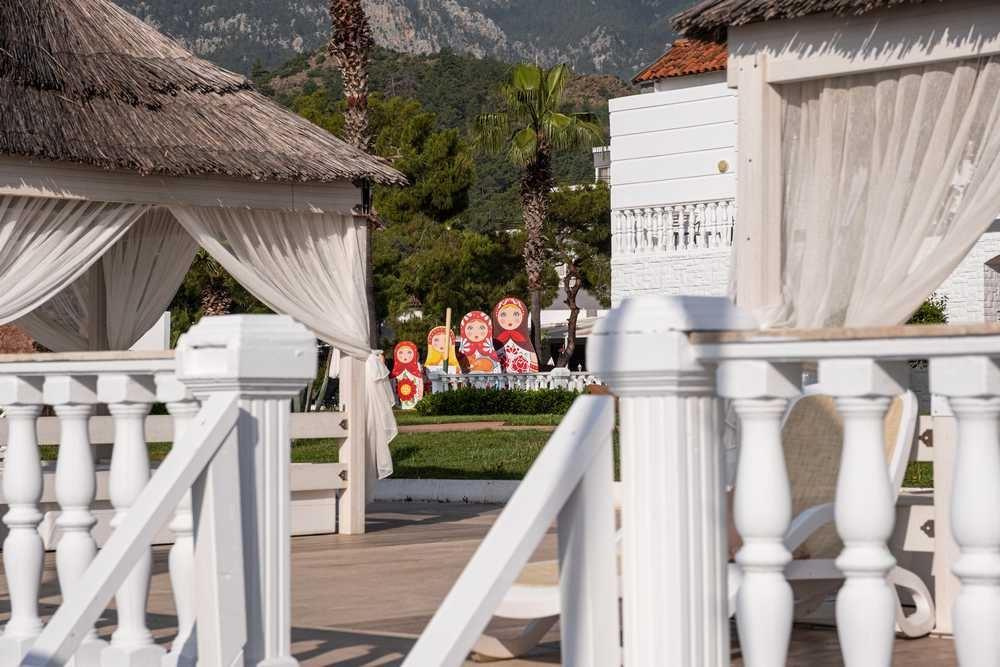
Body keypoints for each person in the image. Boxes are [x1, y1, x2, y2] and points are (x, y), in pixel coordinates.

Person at [493, 296, 539, 373]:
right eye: (503, 314)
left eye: (516, 314)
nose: (509, 319)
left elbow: (533, 361)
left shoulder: (525, 343)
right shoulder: (495, 345)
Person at [390, 341, 424, 409]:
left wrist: (419, 397)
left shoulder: (416, 371)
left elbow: (419, 385)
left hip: (414, 399)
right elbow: (392, 386)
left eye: (409, 352)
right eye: (401, 353)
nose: (405, 356)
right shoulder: (395, 373)